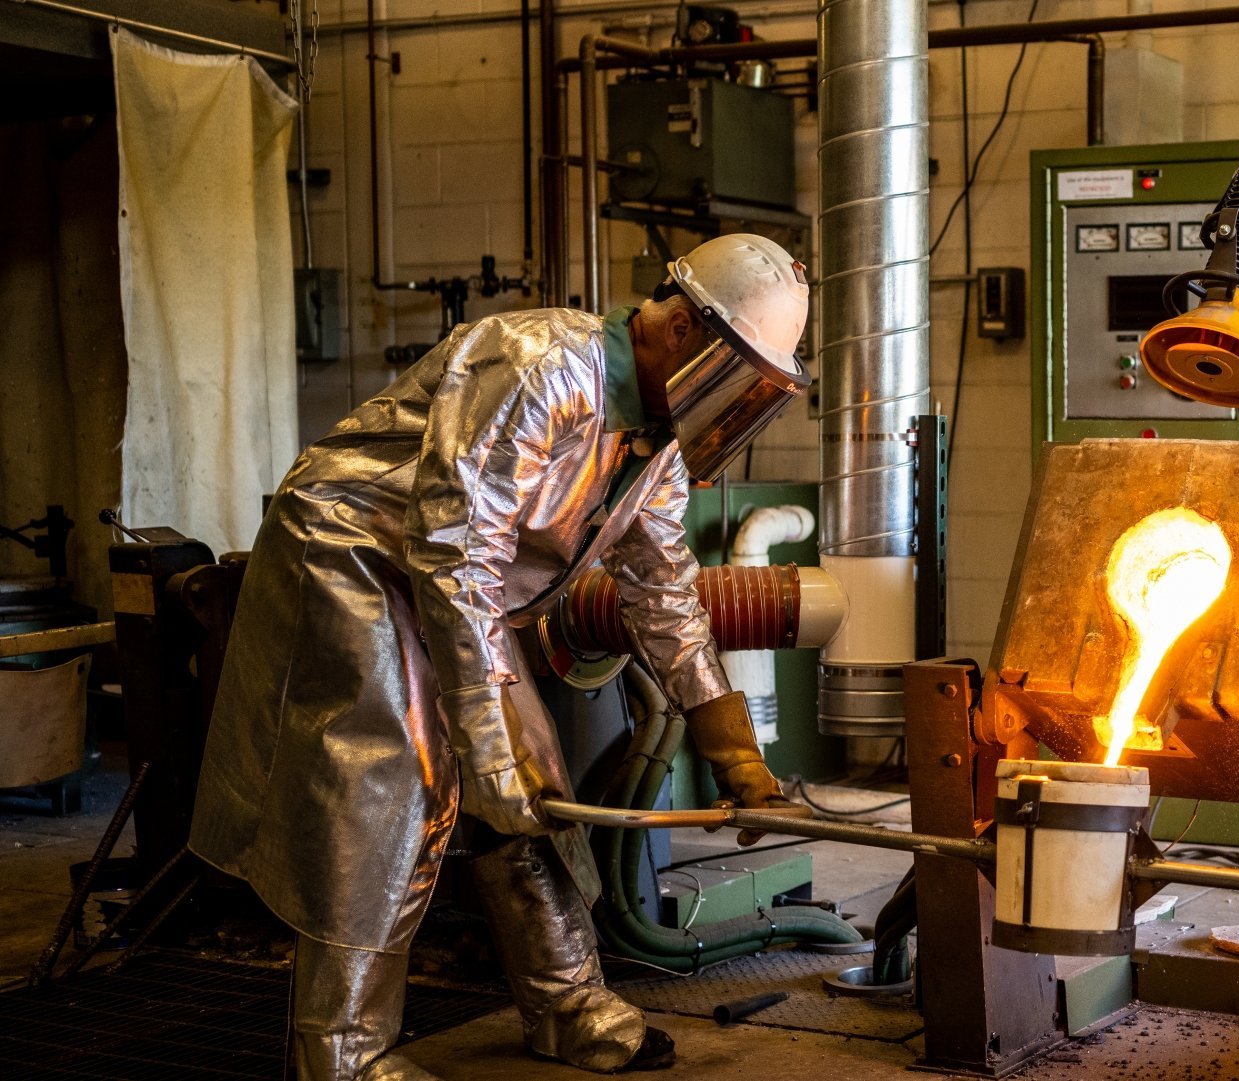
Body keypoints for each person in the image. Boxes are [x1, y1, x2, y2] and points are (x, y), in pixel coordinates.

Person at [190, 233, 815, 1081]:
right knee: (390, 791)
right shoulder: (539, 366)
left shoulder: (657, 440)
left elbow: (661, 589)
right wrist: (481, 746)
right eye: (739, 372)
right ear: (681, 331)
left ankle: (567, 1004)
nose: (738, 400)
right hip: (357, 552)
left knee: (536, 782)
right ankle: (342, 1053)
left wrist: (730, 742)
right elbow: (454, 552)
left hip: (456, 585)